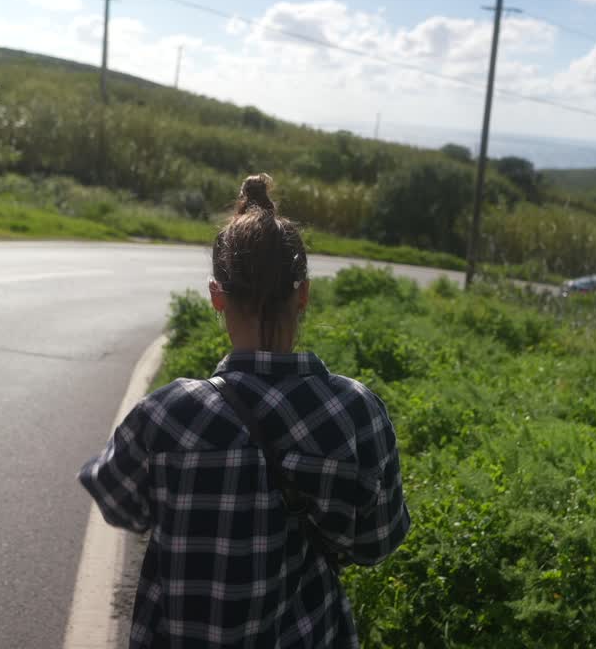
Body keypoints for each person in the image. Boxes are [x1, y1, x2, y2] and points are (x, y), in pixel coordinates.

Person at [79, 173, 411, 648]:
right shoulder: (357, 415)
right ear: (303, 295)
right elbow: (378, 543)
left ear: (217, 295)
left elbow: (118, 503)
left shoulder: (166, 415)